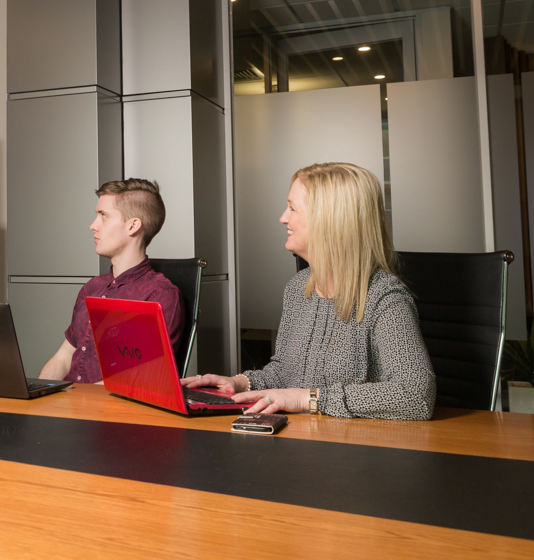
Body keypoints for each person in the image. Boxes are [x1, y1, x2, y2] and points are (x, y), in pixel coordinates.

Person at [183, 162, 435, 420]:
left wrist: (308, 398)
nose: (283, 218)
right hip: (302, 435)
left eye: (292, 208)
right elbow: (284, 373)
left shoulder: (385, 297)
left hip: (356, 442)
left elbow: (416, 396)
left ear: (329, 220)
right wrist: (239, 383)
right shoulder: (298, 288)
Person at [39, 179, 184, 384]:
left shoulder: (160, 295)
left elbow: (134, 379)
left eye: (103, 216)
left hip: (101, 404)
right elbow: (63, 357)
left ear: (133, 226)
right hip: (71, 399)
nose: (93, 226)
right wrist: (42, 392)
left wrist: (76, 399)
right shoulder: (92, 288)